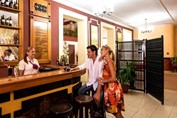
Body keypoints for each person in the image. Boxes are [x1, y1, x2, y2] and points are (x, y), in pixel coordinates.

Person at [93, 45, 125, 118]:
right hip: (110, 88)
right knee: (114, 111)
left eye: (102, 50)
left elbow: (113, 78)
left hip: (113, 89)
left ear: (107, 50)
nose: (100, 51)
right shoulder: (107, 61)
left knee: (116, 112)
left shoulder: (109, 62)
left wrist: (103, 80)